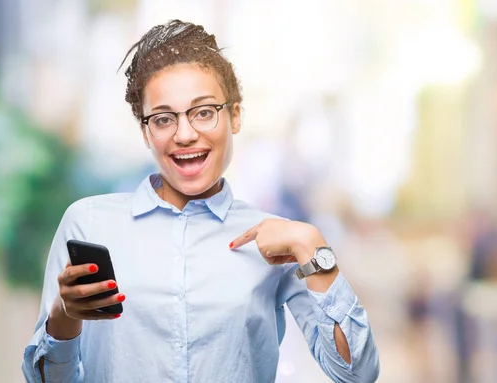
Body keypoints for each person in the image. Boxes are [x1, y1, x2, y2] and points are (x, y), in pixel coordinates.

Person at [22, 19, 380, 383]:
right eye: (163, 119)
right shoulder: (90, 224)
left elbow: (357, 374)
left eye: (204, 112)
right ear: (146, 132)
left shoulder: (276, 242)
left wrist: (312, 246)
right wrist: (65, 316)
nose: (185, 134)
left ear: (235, 116)